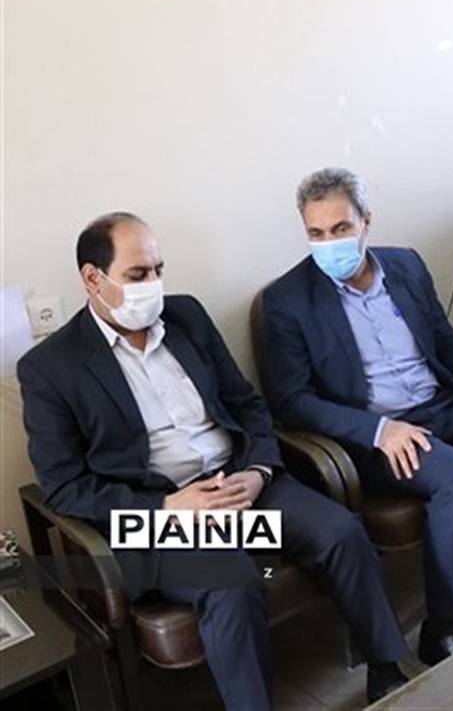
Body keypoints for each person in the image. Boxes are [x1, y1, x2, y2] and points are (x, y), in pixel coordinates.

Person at [18, 213, 410, 709]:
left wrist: (257, 472)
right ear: (93, 279)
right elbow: (64, 487)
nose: (153, 285)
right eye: (137, 275)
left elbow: (247, 405)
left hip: (238, 486)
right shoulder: (50, 368)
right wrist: (168, 508)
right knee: (232, 581)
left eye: (158, 270)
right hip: (158, 518)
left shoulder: (186, 317)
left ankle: (388, 672)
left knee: (341, 533)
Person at [260, 168, 453, 665]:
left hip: (441, 403)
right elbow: (292, 401)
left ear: (366, 221)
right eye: (316, 233)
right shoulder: (288, 301)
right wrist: (379, 430)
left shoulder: (405, 266)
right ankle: (445, 627)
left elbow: (444, 341)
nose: (329, 243)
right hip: (376, 433)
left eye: (340, 228)